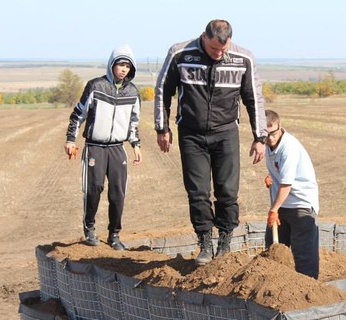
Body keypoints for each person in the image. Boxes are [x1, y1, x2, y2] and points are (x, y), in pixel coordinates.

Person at [154, 19, 267, 266]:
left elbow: (254, 98)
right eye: (215, 49)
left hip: (226, 132)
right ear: (204, 37)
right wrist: (162, 128)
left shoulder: (242, 58)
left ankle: (224, 242)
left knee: (227, 191)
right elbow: (163, 90)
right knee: (198, 192)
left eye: (223, 50)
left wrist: (260, 137)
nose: (219, 54)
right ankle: (205, 242)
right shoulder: (180, 54)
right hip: (191, 134)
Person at [64, 44, 142, 251]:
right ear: (112, 65)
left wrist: (135, 144)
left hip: (117, 148)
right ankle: (89, 228)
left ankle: (114, 235)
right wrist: (70, 140)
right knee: (94, 188)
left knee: (118, 192)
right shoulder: (96, 86)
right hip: (94, 147)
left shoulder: (133, 91)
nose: (123, 69)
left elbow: (134, 120)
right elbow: (78, 114)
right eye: (120, 64)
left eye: (127, 65)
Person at [263, 110, 320, 279]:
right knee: (273, 249)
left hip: (300, 203)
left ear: (280, 126)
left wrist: (274, 209)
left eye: (273, 133)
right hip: (283, 203)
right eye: (265, 135)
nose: (270, 138)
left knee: (303, 254)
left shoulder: (289, 147)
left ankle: (308, 291)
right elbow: (280, 171)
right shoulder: (267, 143)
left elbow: (287, 184)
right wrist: (272, 174)